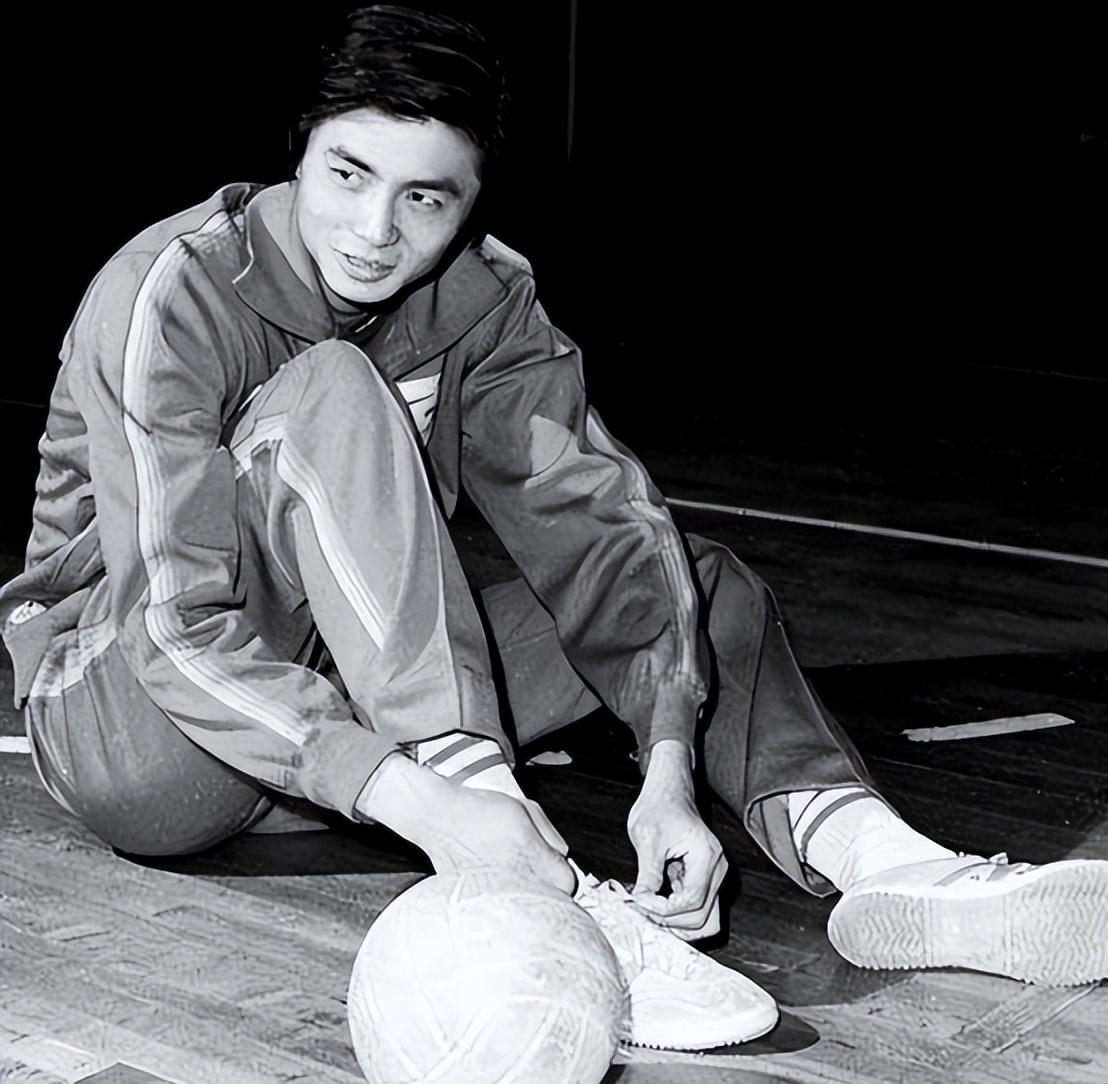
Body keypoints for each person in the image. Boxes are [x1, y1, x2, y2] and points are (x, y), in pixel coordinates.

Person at [2, 3, 1104, 1055]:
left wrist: (667, 764)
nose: (376, 232)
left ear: (472, 201)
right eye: (348, 175)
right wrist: (433, 800)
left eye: (425, 199)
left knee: (691, 583)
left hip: (332, 721)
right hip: (140, 733)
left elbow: (599, 531)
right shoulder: (172, 291)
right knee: (330, 386)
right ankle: (532, 885)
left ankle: (884, 861)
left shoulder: (484, 301)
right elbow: (174, 627)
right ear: (300, 152)